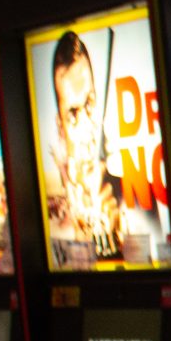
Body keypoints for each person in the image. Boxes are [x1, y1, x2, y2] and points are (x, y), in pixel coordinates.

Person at [49, 30, 124, 267]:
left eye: (90, 104)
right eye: (72, 114)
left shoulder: (129, 198)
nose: (85, 126)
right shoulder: (52, 219)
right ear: (60, 126)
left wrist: (119, 235)